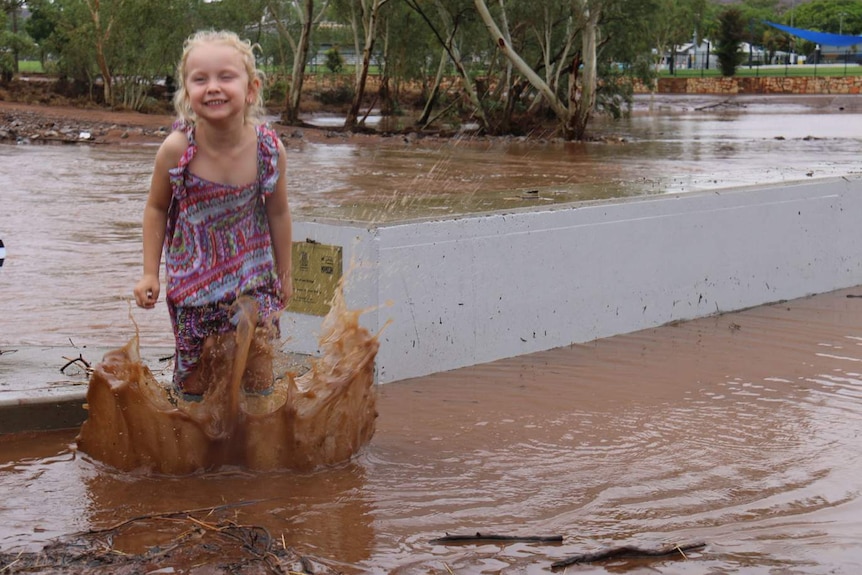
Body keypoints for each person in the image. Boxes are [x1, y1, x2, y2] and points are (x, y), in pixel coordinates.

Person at [133, 30, 293, 399]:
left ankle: (255, 446)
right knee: (195, 383)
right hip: (193, 287)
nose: (213, 87)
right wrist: (148, 273)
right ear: (187, 92)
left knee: (258, 370)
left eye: (226, 77)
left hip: (255, 283)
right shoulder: (178, 149)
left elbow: (280, 214)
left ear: (251, 88)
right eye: (200, 79)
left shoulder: (269, 150)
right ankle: (195, 444)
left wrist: (285, 275)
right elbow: (156, 208)